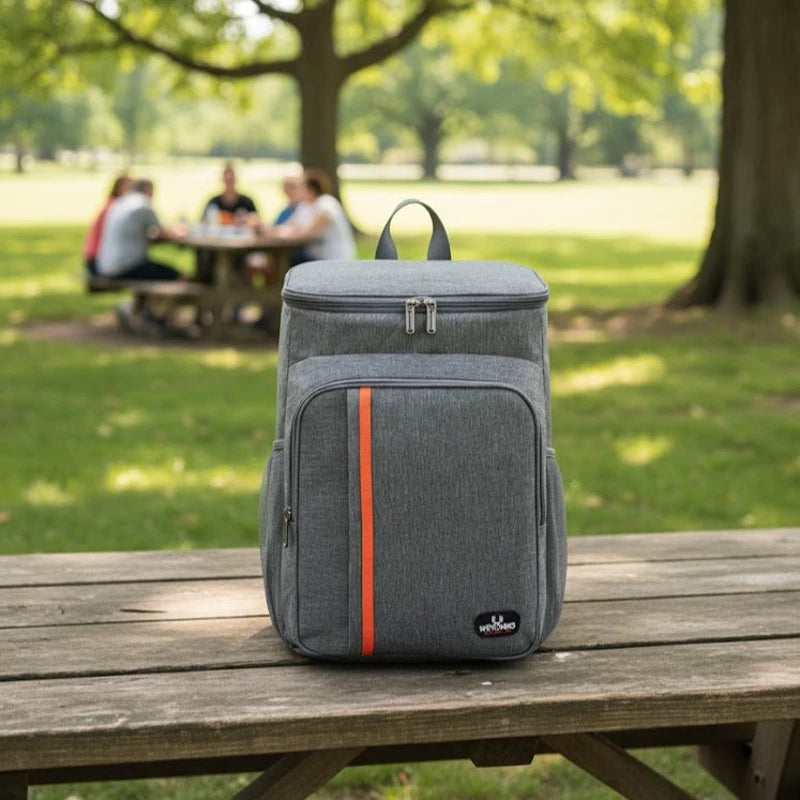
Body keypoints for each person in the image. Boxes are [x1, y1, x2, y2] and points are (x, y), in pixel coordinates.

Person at [96, 178, 182, 281]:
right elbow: (164, 233)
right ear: (149, 190)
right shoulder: (142, 204)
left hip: (105, 266)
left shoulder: (121, 202)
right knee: (180, 277)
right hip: (126, 267)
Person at [270, 169, 356, 264]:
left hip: (331, 259)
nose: (298, 191)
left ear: (311, 190)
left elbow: (307, 234)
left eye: (301, 187)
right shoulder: (305, 206)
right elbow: (291, 227)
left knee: (291, 259)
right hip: (314, 257)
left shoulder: (326, 204)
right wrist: (273, 231)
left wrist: (279, 235)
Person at [82, 174, 132, 275]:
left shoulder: (112, 204)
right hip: (98, 259)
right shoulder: (115, 207)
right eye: (130, 186)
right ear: (120, 187)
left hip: (95, 258)